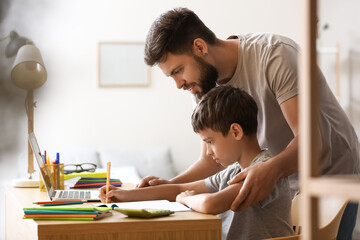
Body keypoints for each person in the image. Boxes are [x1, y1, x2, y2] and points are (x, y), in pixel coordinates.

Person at [139, 7, 360, 239]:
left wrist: (269, 170)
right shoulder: (203, 88)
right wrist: (171, 185)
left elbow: (311, 143)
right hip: (280, 179)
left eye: (178, 71)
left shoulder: (274, 55)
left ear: (200, 47)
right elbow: (211, 159)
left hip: (329, 173)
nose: (178, 84)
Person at [100, 86, 294, 240]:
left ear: (236, 132)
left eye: (210, 142)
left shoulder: (264, 173)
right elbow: (179, 188)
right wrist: (124, 195)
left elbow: (210, 204)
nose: (208, 152)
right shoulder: (232, 171)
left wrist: (185, 199)